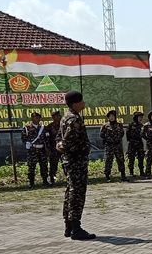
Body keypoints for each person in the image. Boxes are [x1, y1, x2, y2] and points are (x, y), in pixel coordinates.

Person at [56, 90, 96, 240]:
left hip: (70, 160)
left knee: (70, 192)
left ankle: (69, 226)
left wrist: (60, 145)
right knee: (77, 193)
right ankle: (76, 228)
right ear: (76, 103)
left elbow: (59, 139)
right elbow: (66, 140)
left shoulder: (65, 117)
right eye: (82, 101)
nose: (84, 103)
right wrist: (64, 146)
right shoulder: (74, 119)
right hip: (76, 161)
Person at [21, 112, 50, 188]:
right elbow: (23, 138)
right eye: (34, 117)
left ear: (39, 118)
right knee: (31, 167)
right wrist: (27, 143)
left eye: (37, 117)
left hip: (42, 150)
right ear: (31, 118)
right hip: (32, 150)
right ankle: (31, 183)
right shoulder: (27, 128)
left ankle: (45, 181)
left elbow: (47, 139)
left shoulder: (43, 128)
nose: (36, 119)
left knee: (44, 166)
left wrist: (47, 148)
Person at [99, 110, 127, 182]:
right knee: (108, 160)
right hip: (109, 146)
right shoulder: (105, 125)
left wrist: (117, 139)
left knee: (120, 160)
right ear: (108, 117)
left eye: (113, 116)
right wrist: (107, 139)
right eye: (110, 116)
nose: (111, 118)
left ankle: (123, 175)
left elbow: (122, 133)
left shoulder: (119, 125)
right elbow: (101, 134)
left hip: (117, 145)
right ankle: (107, 176)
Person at [126, 112, 145, 177]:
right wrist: (131, 140)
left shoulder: (142, 125)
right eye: (139, 117)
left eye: (141, 117)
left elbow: (143, 134)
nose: (141, 119)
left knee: (141, 158)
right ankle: (131, 172)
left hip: (139, 143)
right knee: (131, 158)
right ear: (136, 117)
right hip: (132, 143)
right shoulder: (131, 125)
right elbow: (127, 134)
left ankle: (142, 172)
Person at [45, 111, 62, 185]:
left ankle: (69, 178)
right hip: (53, 148)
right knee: (53, 165)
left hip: (63, 148)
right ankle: (52, 178)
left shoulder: (63, 125)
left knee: (66, 164)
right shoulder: (49, 127)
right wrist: (48, 149)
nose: (58, 117)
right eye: (56, 116)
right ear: (53, 117)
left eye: (59, 116)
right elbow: (47, 139)